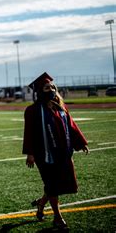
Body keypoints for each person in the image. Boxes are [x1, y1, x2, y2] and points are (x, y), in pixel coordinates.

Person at [23, 72, 89, 230]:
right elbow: (29, 132)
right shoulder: (32, 110)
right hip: (43, 154)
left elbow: (71, 126)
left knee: (56, 185)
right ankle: (58, 217)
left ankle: (40, 204)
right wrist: (30, 153)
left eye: (53, 86)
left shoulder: (61, 106)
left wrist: (81, 143)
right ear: (39, 90)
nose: (51, 89)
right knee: (51, 184)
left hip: (63, 153)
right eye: (47, 87)